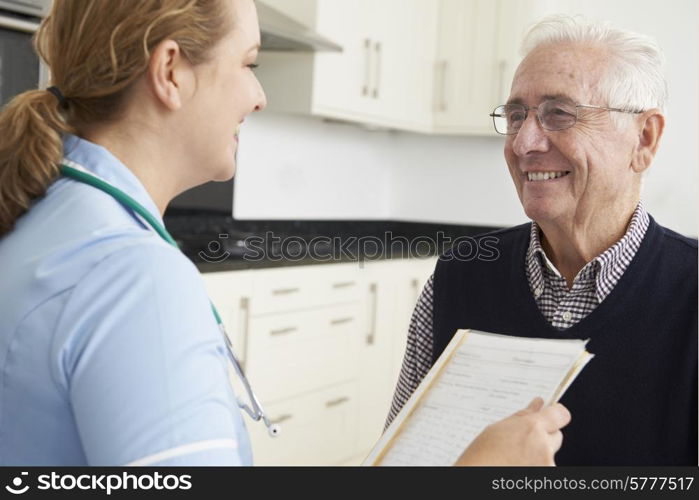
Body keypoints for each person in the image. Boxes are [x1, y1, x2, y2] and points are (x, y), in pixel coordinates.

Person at [0, 0, 571, 466]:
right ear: (171, 71)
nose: (259, 95)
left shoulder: (40, 218)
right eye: (249, 63)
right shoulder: (133, 277)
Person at [387, 15, 698, 465]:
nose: (524, 143)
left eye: (560, 113)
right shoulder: (457, 278)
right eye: (516, 116)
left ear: (643, 140)